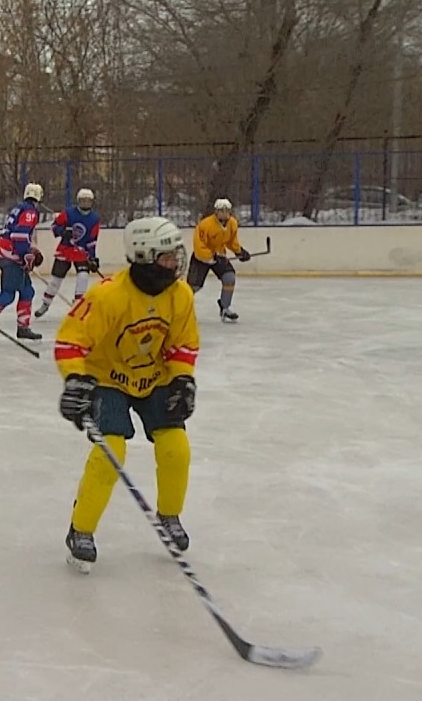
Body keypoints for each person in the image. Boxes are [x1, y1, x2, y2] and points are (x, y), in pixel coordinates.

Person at [54, 216, 201, 573]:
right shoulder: (108, 295)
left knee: (176, 447)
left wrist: (183, 380)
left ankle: (169, 516)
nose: (176, 262)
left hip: (154, 377)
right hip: (107, 379)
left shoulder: (179, 295)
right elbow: (70, 342)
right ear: (145, 256)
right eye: (167, 256)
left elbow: (183, 344)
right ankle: (81, 530)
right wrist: (75, 380)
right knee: (111, 450)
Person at [0, 183, 45, 343]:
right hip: (11, 256)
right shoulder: (30, 211)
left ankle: (23, 327)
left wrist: (26, 254)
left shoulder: (20, 207)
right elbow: (20, 234)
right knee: (8, 294)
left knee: (27, 291)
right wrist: (25, 255)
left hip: (8, 253)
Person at [36, 188, 101, 318]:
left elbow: (92, 241)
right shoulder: (69, 213)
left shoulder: (95, 219)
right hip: (65, 250)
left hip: (81, 253)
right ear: (78, 201)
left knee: (83, 277)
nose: (86, 203)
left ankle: (78, 304)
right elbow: (54, 226)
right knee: (56, 280)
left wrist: (93, 258)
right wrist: (62, 232)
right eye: (83, 201)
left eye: (88, 201)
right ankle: (45, 304)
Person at [189, 198, 252, 322]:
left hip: (219, 255)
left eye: (226, 211)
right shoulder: (205, 225)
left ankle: (225, 308)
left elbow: (231, 241)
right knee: (193, 287)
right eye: (221, 211)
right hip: (201, 258)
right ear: (216, 212)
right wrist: (209, 257)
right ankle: (182, 311)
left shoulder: (232, 224)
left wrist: (240, 252)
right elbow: (199, 245)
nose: (224, 213)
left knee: (229, 278)